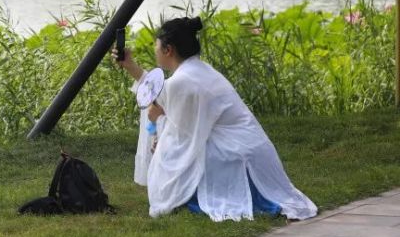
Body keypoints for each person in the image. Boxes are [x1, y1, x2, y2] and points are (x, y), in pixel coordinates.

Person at [116, 16, 317, 222]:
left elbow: (182, 136)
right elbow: (161, 95)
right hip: (254, 148)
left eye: (156, 46)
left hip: (235, 151)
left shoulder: (181, 80)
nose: (155, 50)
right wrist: (131, 66)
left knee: (172, 156)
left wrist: (159, 121)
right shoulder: (199, 70)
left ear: (168, 50)